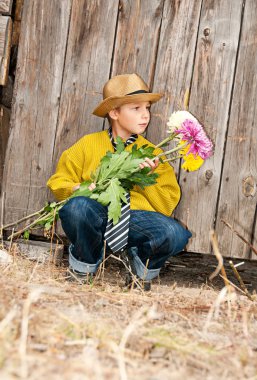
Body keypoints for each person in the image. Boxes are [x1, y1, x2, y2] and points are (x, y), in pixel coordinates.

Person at [47, 73, 192, 289]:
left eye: (147, 108)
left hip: (134, 218)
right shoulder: (88, 144)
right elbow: (59, 181)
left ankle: (139, 269)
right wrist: (81, 188)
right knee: (76, 208)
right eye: (136, 109)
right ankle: (84, 266)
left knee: (175, 233)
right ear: (114, 112)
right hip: (96, 213)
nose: (145, 115)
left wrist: (147, 180)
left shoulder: (152, 154)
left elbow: (166, 203)